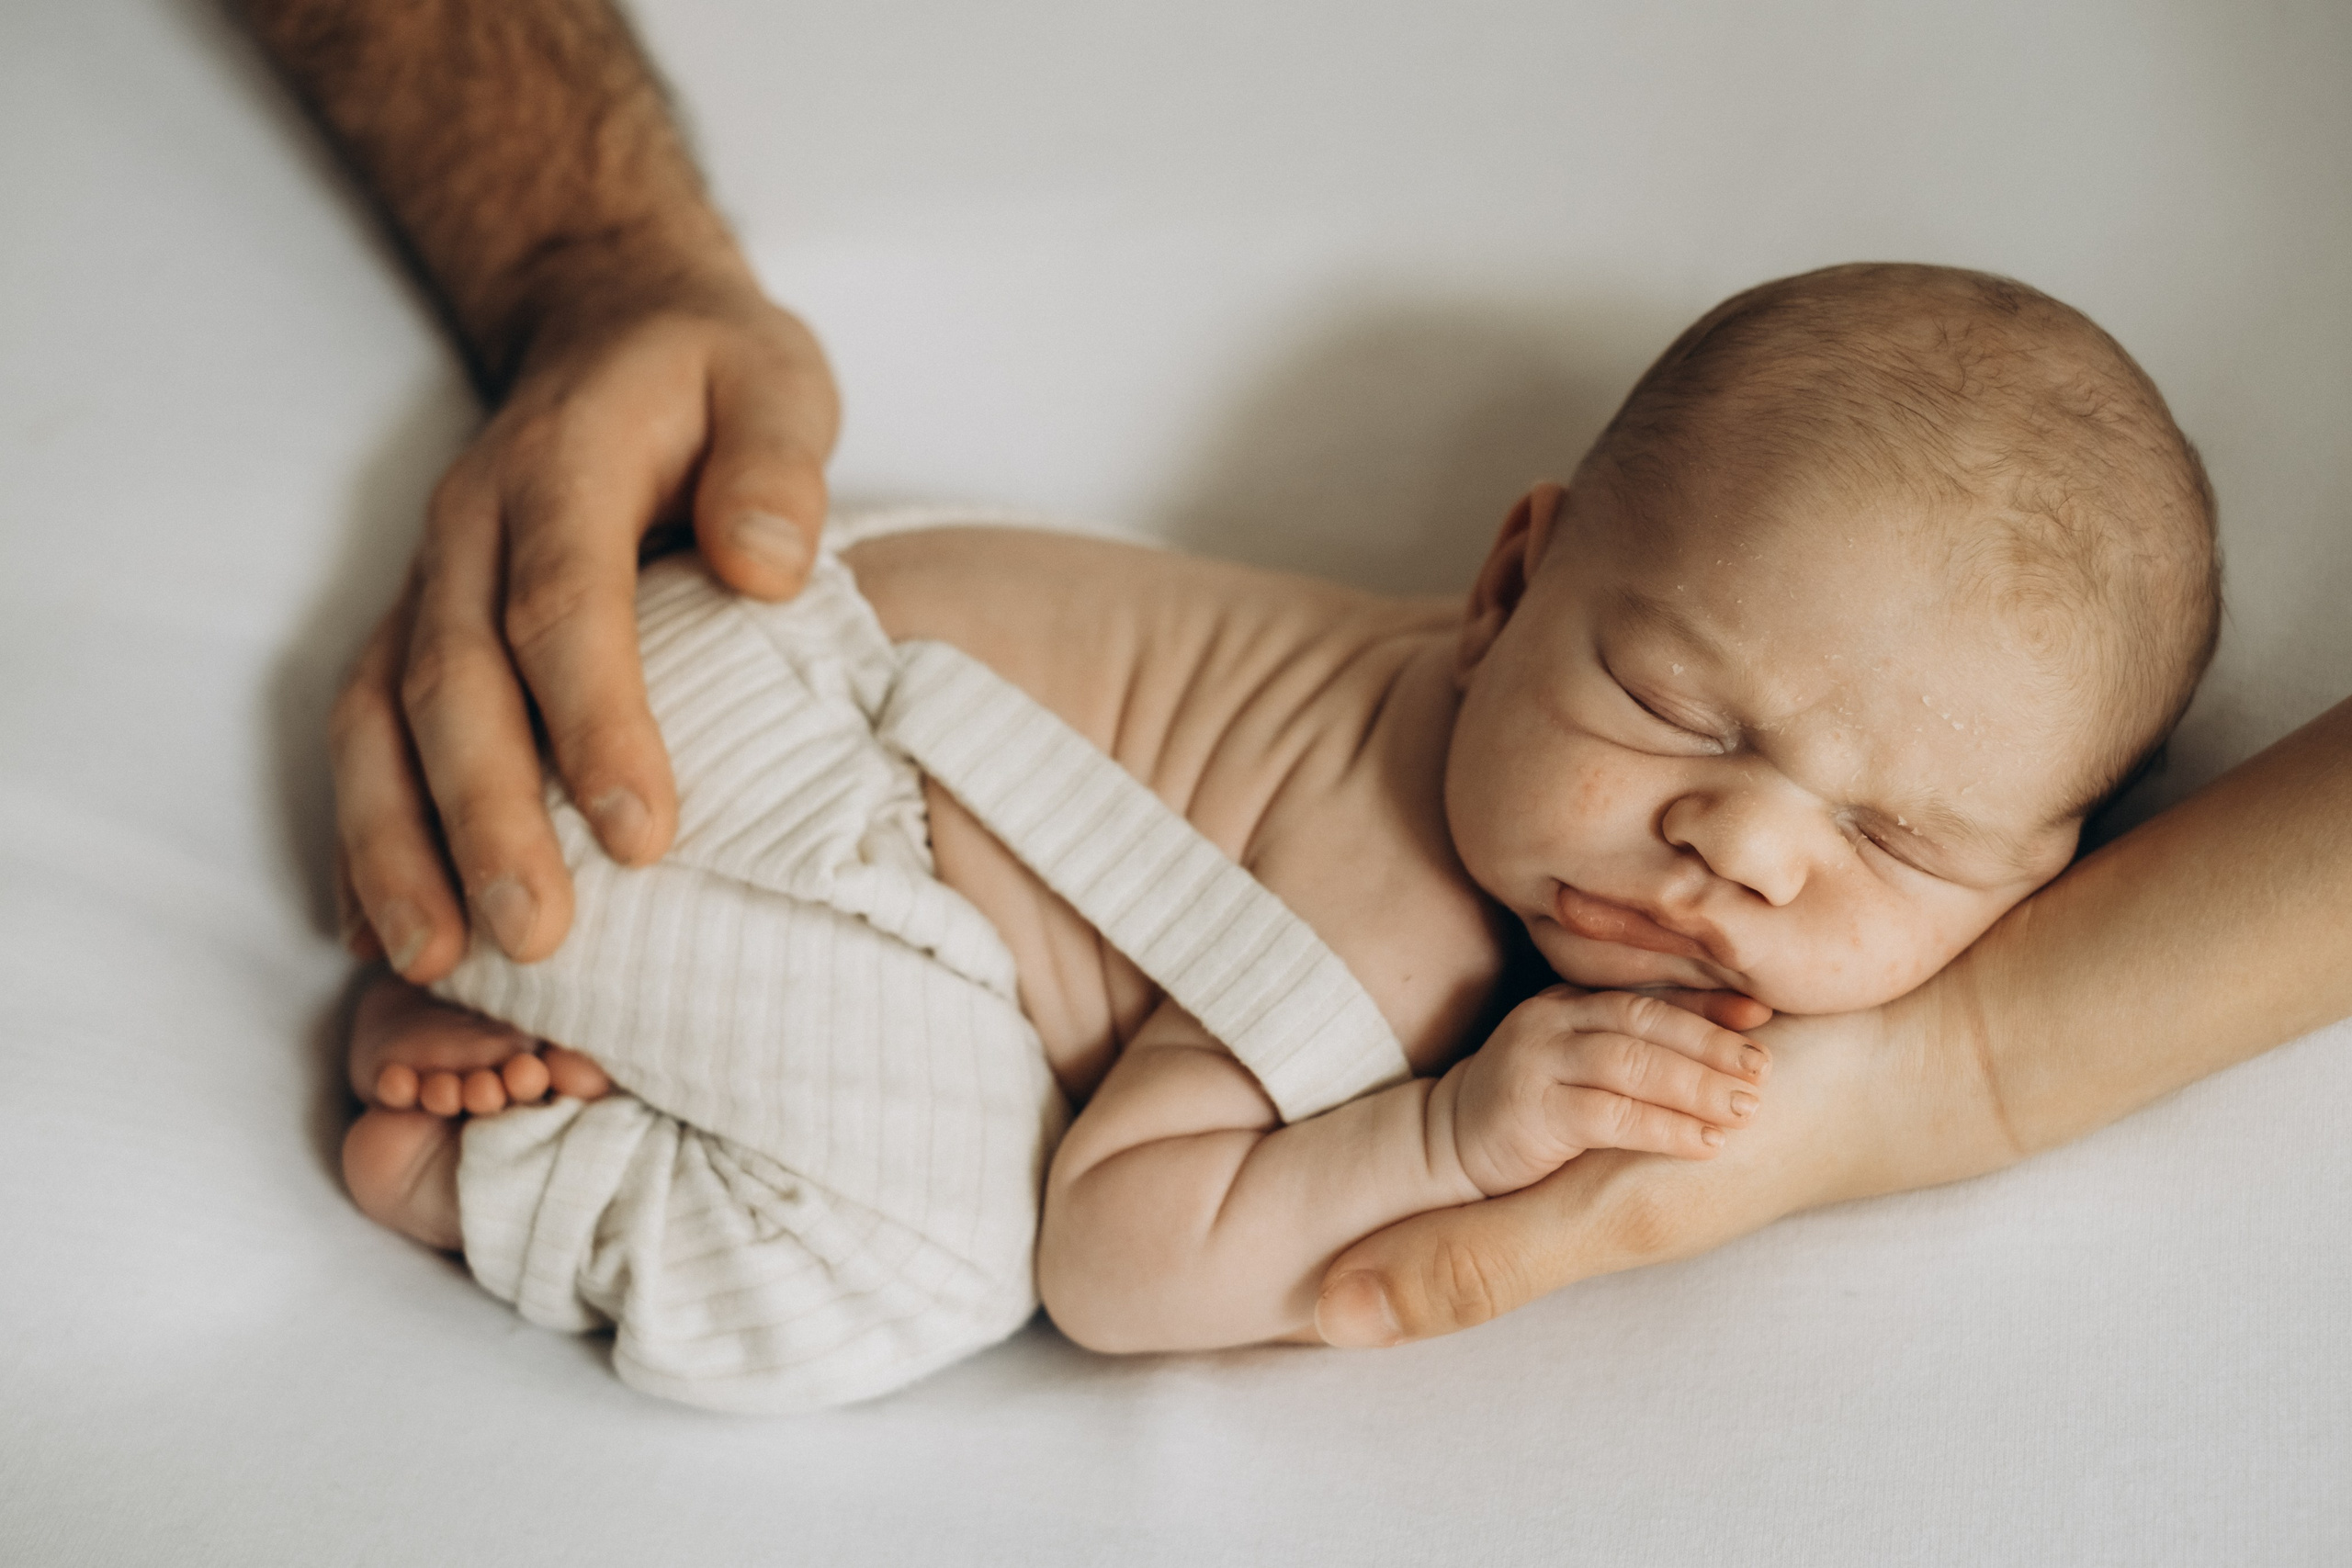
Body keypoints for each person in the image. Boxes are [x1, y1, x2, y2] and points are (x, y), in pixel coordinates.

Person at [244, 0, 2352, 1367]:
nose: (1744, 843)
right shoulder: (1401, 892)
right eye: (1682, 714)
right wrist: (1435, 1135)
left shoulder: (1523, 790)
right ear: (1508, 579)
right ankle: (499, 1162)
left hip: (797, 703)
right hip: (751, 756)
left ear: (2050, 872)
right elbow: (1122, 1257)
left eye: (1892, 839)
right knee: (933, 1251)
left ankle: (613, 1005)